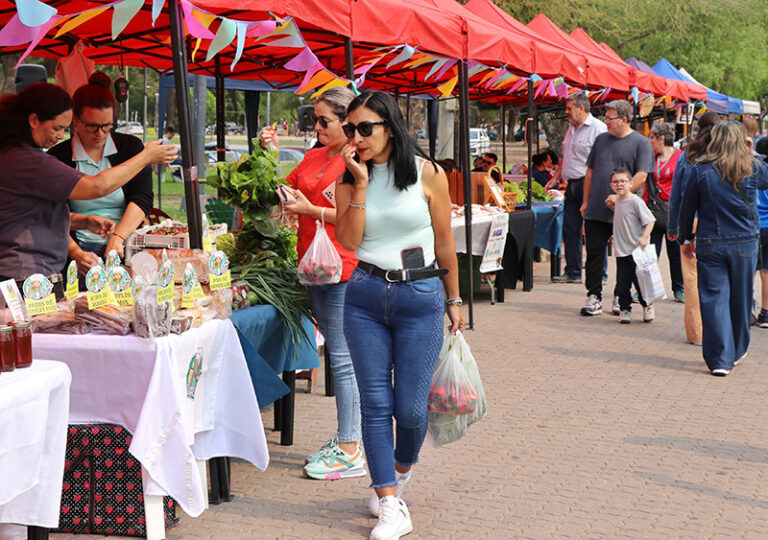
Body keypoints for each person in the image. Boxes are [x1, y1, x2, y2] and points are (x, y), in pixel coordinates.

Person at [335, 91, 464, 540]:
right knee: (375, 405)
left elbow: (445, 240)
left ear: (390, 127)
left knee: (410, 410)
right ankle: (389, 502)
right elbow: (349, 242)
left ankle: (398, 472)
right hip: (366, 295)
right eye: (350, 129)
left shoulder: (429, 174)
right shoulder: (349, 179)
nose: (357, 138)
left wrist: (455, 299)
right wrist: (361, 185)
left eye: (365, 128)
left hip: (420, 295)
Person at [260, 87, 364, 480]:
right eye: (314, 120)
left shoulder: (356, 162)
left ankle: (350, 444)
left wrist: (309, 208)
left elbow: (356, 216)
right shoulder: (313, 156)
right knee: (335, 354)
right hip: (312, 266)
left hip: (343, 268)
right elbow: (283, 188)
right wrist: (269, 158)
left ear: (346, 122)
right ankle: (346, 439)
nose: (316, 127)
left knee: (341, 357)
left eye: (325, 121)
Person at [0, 82, 176, 283]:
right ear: (34, 120)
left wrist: (84, 221)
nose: (59, 136)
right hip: (25, 271)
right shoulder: (32, 162)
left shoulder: (15, 156)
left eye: (107, 126)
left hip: (31, 269)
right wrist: (146, 157)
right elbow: (96, 186)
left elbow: (35, 212)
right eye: (57, 128)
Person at [679, 121, 768, 376]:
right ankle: (738, 349)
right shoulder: (753, 167)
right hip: (745, 242)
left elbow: (688, 207)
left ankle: (720, 358)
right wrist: (753, 152)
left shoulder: (700, 169)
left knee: (713, 297)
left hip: (711, 241)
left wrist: (685, 238)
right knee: (741, 297)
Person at [48, 72, 154, 272]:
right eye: (93, 126)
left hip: (127, 244)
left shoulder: (130, 148)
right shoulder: (58, 157)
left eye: (107, 126)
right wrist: (77, 254)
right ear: (76, 120)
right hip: (78, 251)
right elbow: (53, 215)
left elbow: (142, 198)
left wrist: (118, 238)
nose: (100, 133)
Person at [579, 99, 654, 316]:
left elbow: (642, 175)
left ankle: (621, 296)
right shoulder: (601, 140)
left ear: (623, 119)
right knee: (593, 253)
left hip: (626, 212)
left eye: (609, 118)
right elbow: (590, 172)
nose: (606, 122)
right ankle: (594, 296)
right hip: (596, 209)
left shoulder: (641, 143)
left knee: (626, 257)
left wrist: (621, 194)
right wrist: (585, 201)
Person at [667, 112, 721, 346]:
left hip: (689, 222)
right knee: (718, 282)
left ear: (698, 128)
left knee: (691, 281)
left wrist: (673, 226)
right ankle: (718, 332)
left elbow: (676, 195)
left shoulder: (687, 155)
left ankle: (696, 334)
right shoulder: (724, 155)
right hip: (717, 224)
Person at [546, 92, 606, 284]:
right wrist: (556, 177)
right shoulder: (570, 128)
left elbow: (604, 159)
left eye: (570, 108)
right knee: (570, 229)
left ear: (581, 108)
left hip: (590, 185)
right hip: (571, 185)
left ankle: (600, 274)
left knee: (594, 231)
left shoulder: (598, 128)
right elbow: (565, 156)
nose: (567, 112)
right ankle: (573, 271)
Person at [610, 167, 656, 323]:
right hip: (622, 251)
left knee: (641, 282)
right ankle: (625, 309)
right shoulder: (617, 201)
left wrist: (644, 237)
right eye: (616, 182)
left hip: (638, 251)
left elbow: (650, 220)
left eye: (623, 181)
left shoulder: (635, 201)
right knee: (623, 283)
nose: (619, 184)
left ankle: (647, 305)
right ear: (611, 185)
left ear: (630, 183)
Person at [646, 122, 684, 302]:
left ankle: (679, 288)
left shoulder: (681, 158)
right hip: (653, 211)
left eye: (652, 137)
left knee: (675, 254)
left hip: (674, 212)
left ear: (662, 138)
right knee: (651, 252)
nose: (650, 141)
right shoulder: (651, 158)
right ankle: (647, 288)